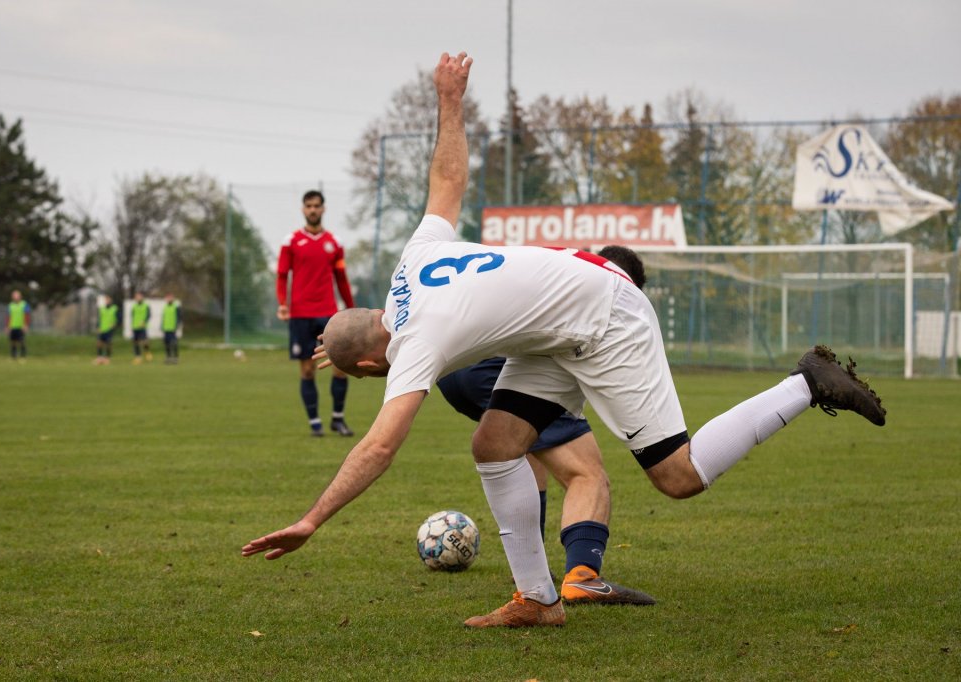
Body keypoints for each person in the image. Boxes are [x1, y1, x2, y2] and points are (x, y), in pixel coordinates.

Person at [242, 52, 886, 629]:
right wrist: (449, 101)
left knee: (678, 476)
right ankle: (538, 600)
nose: (366, 379)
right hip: (563, 315)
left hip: (604, 315)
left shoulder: (415, 345)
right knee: (495, 443)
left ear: (371, 361)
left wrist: (311, 519)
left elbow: (379, 447)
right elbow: (447, 182)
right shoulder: (414, 260)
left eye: (358, 375)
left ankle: (805, 382)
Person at [435, 245, 654, 606]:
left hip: (455, 367)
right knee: (587, 474)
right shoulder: (602, 294)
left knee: (522, 448)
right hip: (498, 366)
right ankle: (583, 576)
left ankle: (529, 569)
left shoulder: (558, 267)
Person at [276, 189, 356, 437]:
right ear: (303, 209)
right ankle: (315, 423)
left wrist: (350, 307)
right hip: (300, 314)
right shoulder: (291, 241)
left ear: (323, 209)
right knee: (307, 370)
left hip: (329, 314)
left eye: (317, 206)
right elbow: (281, 275)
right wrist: (282, 303)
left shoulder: (335, 243)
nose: (313, 210)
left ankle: (338, 419)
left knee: (340, 367)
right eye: (308, 206)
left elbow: (341, 278)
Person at [94, 295, 119, 365]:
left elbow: (118, 318)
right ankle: (99, 358)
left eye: (108, 299)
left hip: (110, 329)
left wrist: (114, 324)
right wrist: (98, 326)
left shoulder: (115, 308)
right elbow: (100, 318)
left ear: (111, 300)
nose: (107, 301)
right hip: (102, 329)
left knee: (108, 344)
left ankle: (107, 358)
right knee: (99, 343)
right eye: (105, 300)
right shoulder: (102, 309)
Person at [6, 289, 30, 361]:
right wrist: (7, 326)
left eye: (17, 296)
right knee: (12, 342)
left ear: (20, 296)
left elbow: (27, 315)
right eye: (14, 296)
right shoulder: (10, 305)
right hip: (13, 326)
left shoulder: (24, 304)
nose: (16, 297)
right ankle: (13, 356)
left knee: (21, 341)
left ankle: (23, 356)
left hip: (21, 326)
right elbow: (8, 317)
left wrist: (26, 325)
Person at [130, 292, 152, 364]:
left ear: (142, 297)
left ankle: (147, 352)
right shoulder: (134, 306)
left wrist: (144, 321)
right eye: (136, 297)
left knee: (144, 341)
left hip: (143, 326)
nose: (137, 298)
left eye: (139, 296)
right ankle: (138, 357)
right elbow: (133, 316)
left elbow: (149, 315)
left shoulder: (146, 305)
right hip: (135, 326)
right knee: (136, 342)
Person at [161, 294, 182, 365]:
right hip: (166, 328)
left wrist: (177, 326)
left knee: (174, 343)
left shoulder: (176, 307)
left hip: (173, 328)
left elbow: (179, 317)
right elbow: (164, 317)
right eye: (167, 298)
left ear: (173, 299)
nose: (169, 299)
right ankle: (168, 357)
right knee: (166, 343)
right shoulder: (165, 307)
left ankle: (176, 357)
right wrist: (162, 326)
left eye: (170, 298)